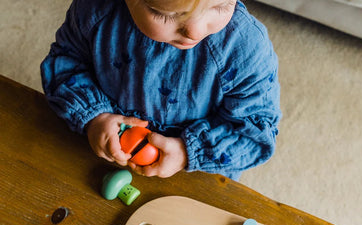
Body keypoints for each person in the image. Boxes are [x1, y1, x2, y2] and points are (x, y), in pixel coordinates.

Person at [41, 0, 281, 180]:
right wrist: (95, 116)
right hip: (101, 152)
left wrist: (188, 152)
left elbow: (257, 130)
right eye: (166, 14)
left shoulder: (246, 50)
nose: (195, 31)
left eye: (220, 6)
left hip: (198, 171)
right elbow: (65, 61)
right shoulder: (96, 10)